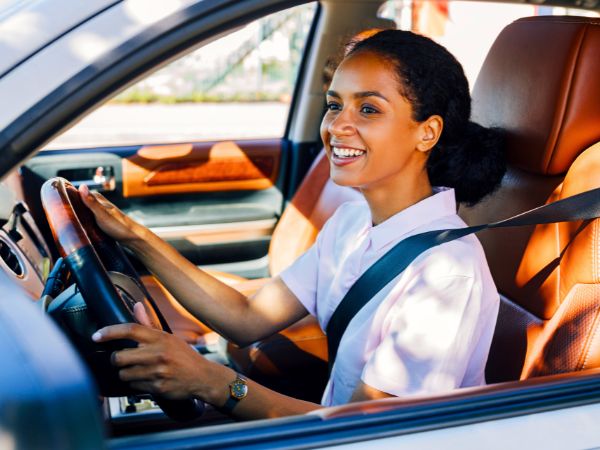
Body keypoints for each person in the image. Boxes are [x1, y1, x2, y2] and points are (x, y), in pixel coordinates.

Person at [83, 29, 505, 420]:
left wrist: (210, 381)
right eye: (335, 105)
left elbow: (368, 430)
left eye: (369, 108)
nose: (337, 126)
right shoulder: (353, 220)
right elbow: (247, 317)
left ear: (427, 132)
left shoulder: (446, 272)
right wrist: (133, 236)